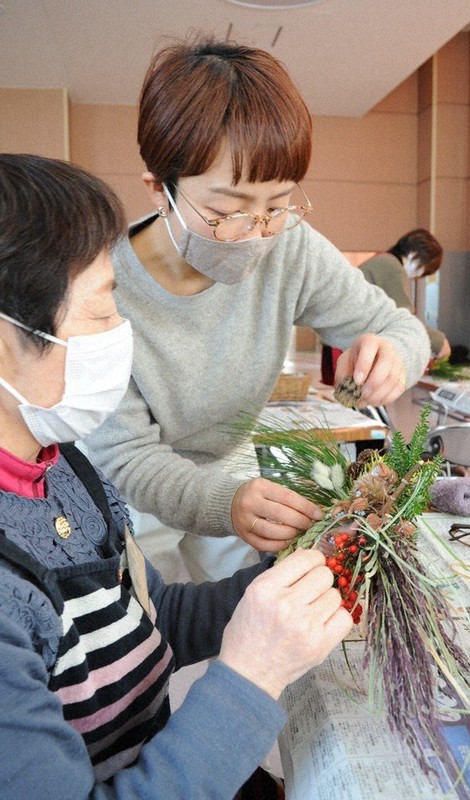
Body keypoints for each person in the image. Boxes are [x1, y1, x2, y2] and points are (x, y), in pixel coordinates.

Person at [0, 153, 353, 799]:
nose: (122, 335)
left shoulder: (63, 466)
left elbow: (147, 616)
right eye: (103, 311)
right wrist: (250, 677)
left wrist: (282, 588)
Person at [86, 36, 431, 583]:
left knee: (240, 608)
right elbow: (129, 459)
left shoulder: (290, 244)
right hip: (130, 490)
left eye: (278, 203)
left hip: (233, 466)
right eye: (226, 211)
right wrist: (226, 503)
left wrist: (394, 354)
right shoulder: (100, 287)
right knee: (154, 630)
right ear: (159, 190)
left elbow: (399, 326)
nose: (258, 233)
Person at [321, 229, 451, 385]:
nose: (418, 276)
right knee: (354, 400)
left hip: (340, 342)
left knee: (351, 401)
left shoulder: (382, 260)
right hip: (346, 346)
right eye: (423, 269)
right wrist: (439, 342)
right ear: (414, 254)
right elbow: (405, 316)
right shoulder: (391, 266)